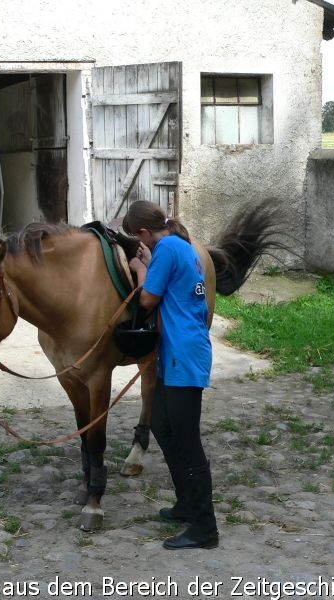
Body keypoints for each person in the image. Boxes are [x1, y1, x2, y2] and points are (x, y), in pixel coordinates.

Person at [122, 200, 218, 550]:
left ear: (144, 233)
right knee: (161, 426)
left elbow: (147, 299)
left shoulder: (165, 249)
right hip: (179, 352)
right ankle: (186, 504)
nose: (140, 244)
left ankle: (205, 527)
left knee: (188, 441)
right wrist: (151, 264)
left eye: (138, 238)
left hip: (183, 355)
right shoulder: (180, 247)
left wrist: (138, 268)